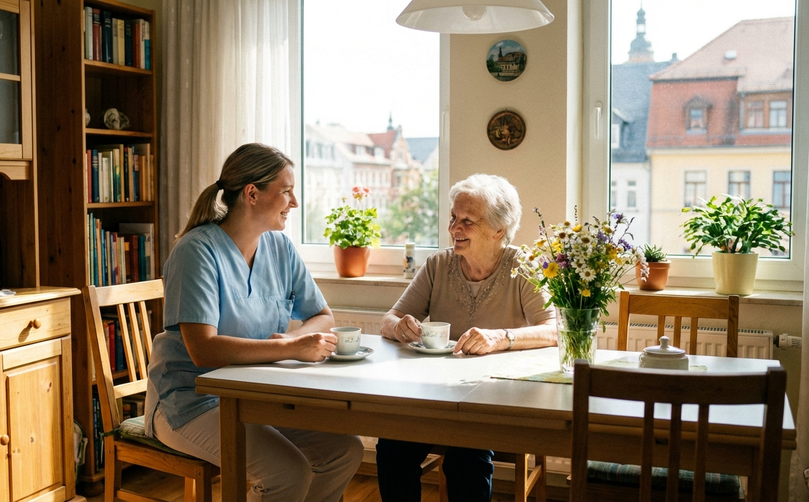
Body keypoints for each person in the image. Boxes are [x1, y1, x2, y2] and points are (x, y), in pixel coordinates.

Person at [144, 143, 364, 502]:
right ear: (252, 194)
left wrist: (297, 340)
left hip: (254, 397)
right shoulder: (196, 252)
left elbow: (323, 316)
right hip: (189, 401)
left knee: (344, 451)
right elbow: (203, 350)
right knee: (287, 472)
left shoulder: (280, 248)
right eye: (287, 191)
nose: (294, 203)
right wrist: (289, 348)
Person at [376, 173, 557, 502]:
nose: (454, 228)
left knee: (466, 458)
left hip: (496, 401)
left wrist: (500, 338)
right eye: (453, 218)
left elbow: (554, 329)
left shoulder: (523, 265)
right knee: (392, 448)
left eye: (467, 221)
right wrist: (399, 326)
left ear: (498, 229)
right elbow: (389, 319)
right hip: (438, 398)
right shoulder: (438, 264)